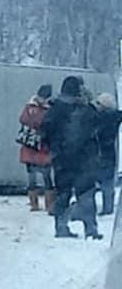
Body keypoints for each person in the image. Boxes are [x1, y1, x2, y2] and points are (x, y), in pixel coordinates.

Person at [40, 76, 102, 239]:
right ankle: (90, 228)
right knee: (87, 193)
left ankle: (61, 227)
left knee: (63, 193)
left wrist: (54, 147)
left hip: (61, 159)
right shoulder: (85, 109)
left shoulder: (54, 109)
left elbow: (44, 131)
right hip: (84, 159)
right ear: (78, 90)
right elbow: (97, 125)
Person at [17, 84, 54, 213]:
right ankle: (45, 204)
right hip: (40, 147)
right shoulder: (47, 109)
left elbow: (23, 119)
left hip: (32, 146)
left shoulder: (30, 106)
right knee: (42, 176)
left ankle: (37, 203)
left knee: (39, 176)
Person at [93, 93, 122, 216]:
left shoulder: (96, 117)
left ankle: (98, 208)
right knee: (108, 182)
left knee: (95, 181)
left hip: (97, 152)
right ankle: (108, 206)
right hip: (110, 153)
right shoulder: (115, 117)